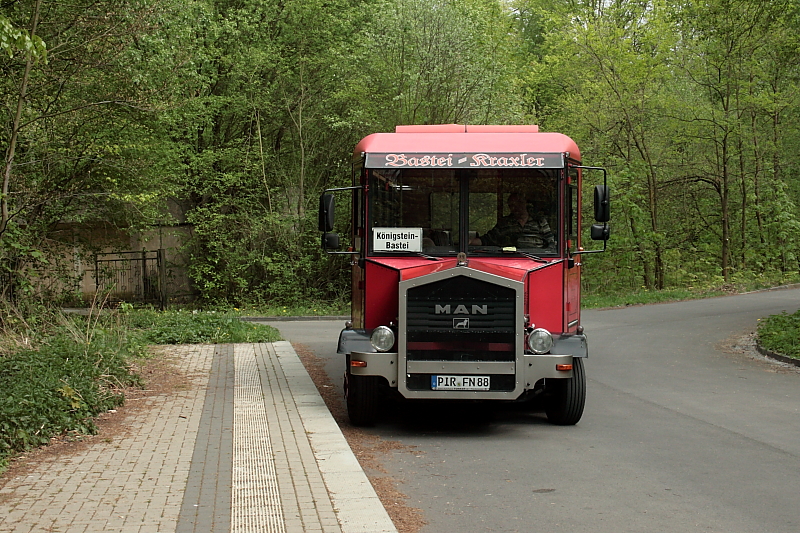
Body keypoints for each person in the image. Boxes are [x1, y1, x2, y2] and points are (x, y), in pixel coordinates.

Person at [470, 192, 555, 248]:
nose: (515, 208)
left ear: (524, 203)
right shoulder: (505, 223)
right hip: (508, 259)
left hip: (537, 259)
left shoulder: (539, 221)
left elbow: (551, 243)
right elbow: (488, 239)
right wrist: (470, 242)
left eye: (518, 204)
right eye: (512, 206)